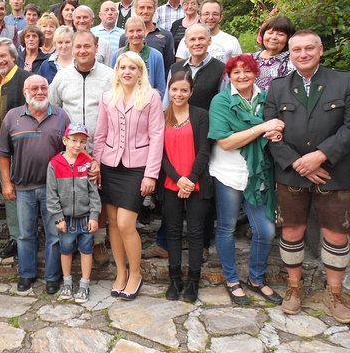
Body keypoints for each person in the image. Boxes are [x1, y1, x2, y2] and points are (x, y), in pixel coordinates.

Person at [264, 30, 350, 324]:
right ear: (290, 54)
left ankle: (335, 293)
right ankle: (294, 289)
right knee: (291, 232)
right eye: (297, 50)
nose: (303, 54)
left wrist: (319, 156)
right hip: (292, 174)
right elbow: (271, 132)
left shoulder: (343, 81)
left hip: (332, 172)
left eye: (309, 48)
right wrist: (297, 163)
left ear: (320, 50)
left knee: (336, 234)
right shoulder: (279, 86)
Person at [208, 54, 284, 306]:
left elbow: (279, 127)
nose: (241, 76)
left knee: (266, 230)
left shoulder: (266, 99)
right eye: (236, 73)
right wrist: (261, 129)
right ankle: (231, 280)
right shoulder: (220, 101)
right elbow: (226, 142)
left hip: (258, 174)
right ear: (228, 76)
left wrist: (274, 132)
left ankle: (256, 279)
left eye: (247, 71)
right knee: (227, 227)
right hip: (228, 173)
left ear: (255, 73)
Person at [93, 52, 164, 301]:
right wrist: (97, 165)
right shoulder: (107, 97)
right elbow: (100, 134)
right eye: (122, 67)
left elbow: (157, 137)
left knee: (125, 223)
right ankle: (120, 273)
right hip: (110, 165)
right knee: (112, 222)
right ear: (117, 71)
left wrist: (151, 175)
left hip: (137, 168)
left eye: (132, 67)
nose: (127, 71)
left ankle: (136, 273)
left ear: (140, 71)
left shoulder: (152, 97)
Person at [0, 75, 70, 294]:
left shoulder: (60, 116)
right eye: (34, 88)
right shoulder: (12, 116)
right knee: (25, 234)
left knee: (54, 235)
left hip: (53, 190)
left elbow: (72, 150)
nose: (40, 92)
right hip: (23, 188)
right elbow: (3, 154)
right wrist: (6, 183)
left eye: (43, 87)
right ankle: (26, 275)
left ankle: (52, 278)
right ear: (25, 92)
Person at [49, 29, 113, 266]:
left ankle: (98, 241)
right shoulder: (62, 77)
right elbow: (54, 110)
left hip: (102, 147)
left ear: (96, 47)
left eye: (88, 46)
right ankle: (74, 240)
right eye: (78, 47)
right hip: (72, 151)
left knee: (99, 196)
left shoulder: (109, 76)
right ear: (71, 49)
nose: (83, 51)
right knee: (73, 195)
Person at [161, 71, 211, 303]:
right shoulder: (162, 116)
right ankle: (174, 279)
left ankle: (193, 281)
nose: (178, 94)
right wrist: (177, 178)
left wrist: (189, 179)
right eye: (174, 89)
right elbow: (158, 154)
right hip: (172, 183)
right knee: (172, 231)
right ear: (168, 90)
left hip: (197, 183)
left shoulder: (201, 115)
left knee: (195, 232)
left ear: (191, 92)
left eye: (184, 90)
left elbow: (204, 150)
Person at [0, 38, 34, 259]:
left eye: (3, 55)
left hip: (25, 147)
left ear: (13, 57)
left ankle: (28, 238)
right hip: (3, 148)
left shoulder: (26, 79)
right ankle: (16, 238)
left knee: (27, 193)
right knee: (9, 194)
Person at [46, 123, 101, 304]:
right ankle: (68, 283)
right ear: (65, 140)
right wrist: (58, 217)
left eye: (82, 142)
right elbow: (51, 194)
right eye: (74, 140)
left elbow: (94, 193)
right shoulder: (55, 164)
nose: (78, 145)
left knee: (86, 250)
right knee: (66, 250)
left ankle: (84, 284)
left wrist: (94, 216)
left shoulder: (87, 164)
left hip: (85, 218)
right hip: (66, 220)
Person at [119, 0, 175, 75]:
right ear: (136, 10)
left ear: (154, 10)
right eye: (142, 8)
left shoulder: (166, 36)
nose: (145, 11)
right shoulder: (125, 37)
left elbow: (168, 66)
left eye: (149, 8)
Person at [176, 0, 242, 63]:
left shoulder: (232, 41)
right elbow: (180, 69)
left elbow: (239, 67)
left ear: (221, 17)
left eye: (215, 14)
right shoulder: (187, 40)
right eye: (206, 14)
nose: (210, 17)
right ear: (200, 17)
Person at [112, 16, 166, 94]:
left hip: (148, 102)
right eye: (131, 31)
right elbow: (114, 83)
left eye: (139, 30)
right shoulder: (118, 55)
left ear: (144, 31)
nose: (135, 34)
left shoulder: (156, 56)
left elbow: (160, 87)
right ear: (126, 33)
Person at [251, 15, 295, 91]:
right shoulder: (251, 58)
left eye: (280, 34)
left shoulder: (293, 61)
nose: (274, 37)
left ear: (288, 38)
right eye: (270, 33)